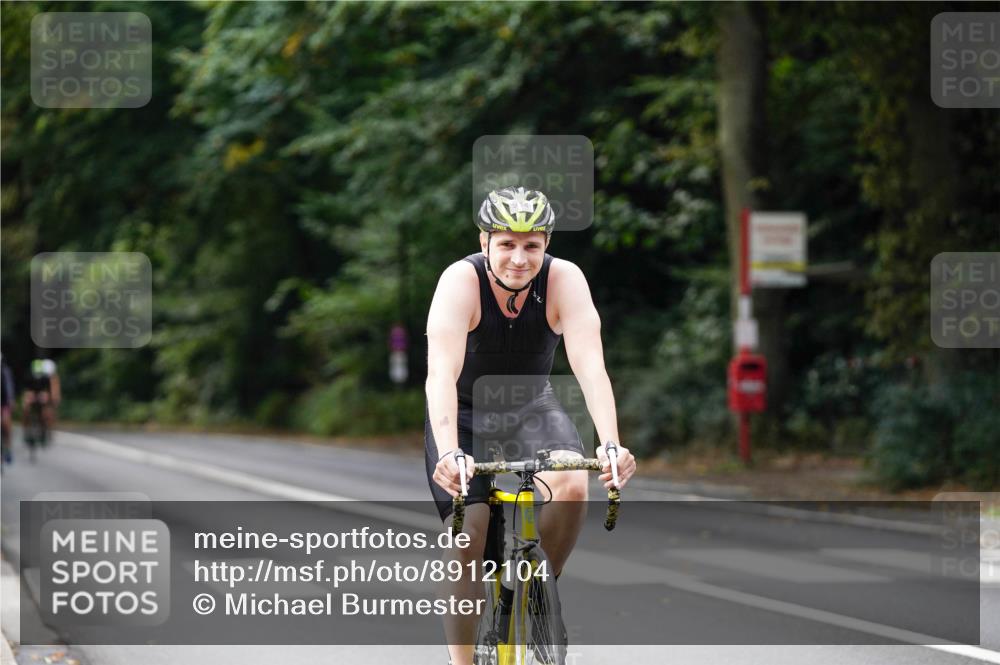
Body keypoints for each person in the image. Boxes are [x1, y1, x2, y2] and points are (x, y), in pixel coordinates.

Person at [424, 186, 636, 665]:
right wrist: (450, 452)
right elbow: (441, 375)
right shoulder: (460, 282)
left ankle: (536, 592)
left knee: (572, 483)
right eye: (506, 244)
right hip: (464, 412)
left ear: (546, 244)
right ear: (484, 242)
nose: (519, 259)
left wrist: (610, 444)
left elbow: (591, 367)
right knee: (468, 535)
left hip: (531, 409)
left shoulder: (565, 280)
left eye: (531, 245)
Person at [23, 355, 60, 441]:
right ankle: (26, 429)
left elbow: (49, 390)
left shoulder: (46, 378)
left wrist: (46, 396)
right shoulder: (29, 376)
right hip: (32, 394)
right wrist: (29, 397)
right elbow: (27, 390)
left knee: (45, 411)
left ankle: (45, 428)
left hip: (41, 395)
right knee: (26, 409)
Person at [1, 353, 15, 465]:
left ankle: (8, 449)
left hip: (4, 403)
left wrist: (11, 400)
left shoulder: (5, 372)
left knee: (6, 423)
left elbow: (9, 387)